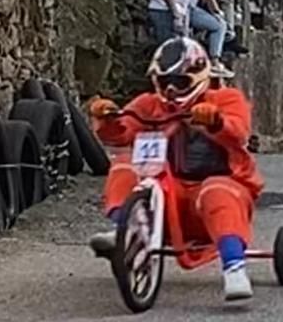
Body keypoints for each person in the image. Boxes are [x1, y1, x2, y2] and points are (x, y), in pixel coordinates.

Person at [89, 37, 263, 302]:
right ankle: (124, 226)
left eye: (179, 83)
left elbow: (238, 132)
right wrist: (106, 119)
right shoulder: (149, 104)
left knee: (216, 191)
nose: (170, 91)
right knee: (123, 165)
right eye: (164, 82)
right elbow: (121, 134)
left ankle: (234, 266)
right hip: (166, 189)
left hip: (215, 188)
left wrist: (215, 121)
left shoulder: (226, 98)